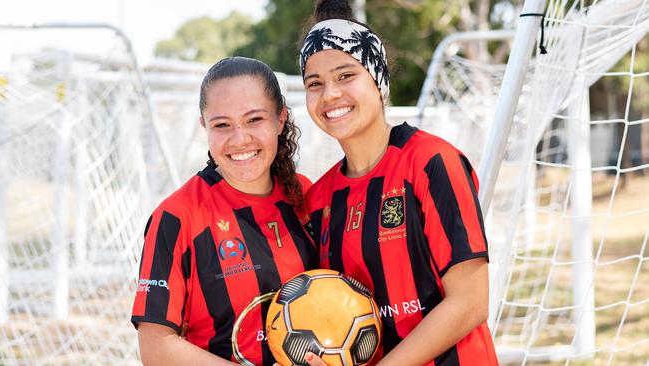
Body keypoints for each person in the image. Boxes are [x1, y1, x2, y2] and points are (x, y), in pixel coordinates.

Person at [298, 1, 498, 365]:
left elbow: (470, 302)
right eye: (315, 84)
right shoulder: (319, 199)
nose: (329, 95)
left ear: (378, 80)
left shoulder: (431, 162)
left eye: (345, 76)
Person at [132, 56, 318, 366]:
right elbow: (155, 347)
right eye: (222, 125)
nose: (239, 138)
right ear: (204, 125)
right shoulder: (177, 217)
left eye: (254, 120)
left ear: (280, 119)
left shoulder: (306, 195)